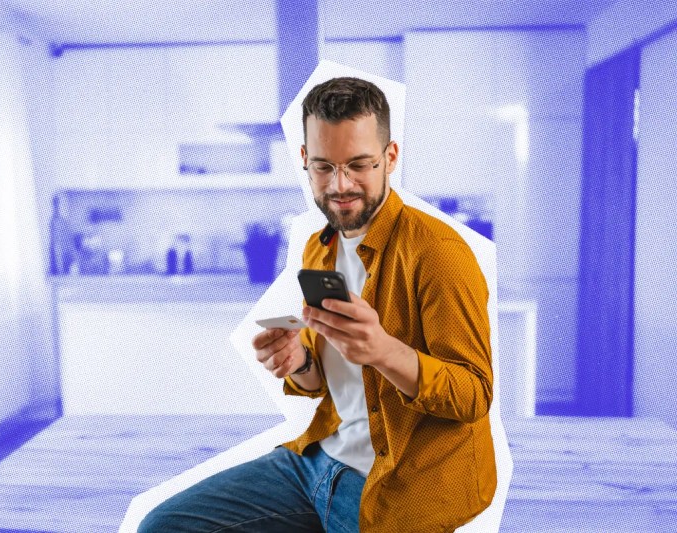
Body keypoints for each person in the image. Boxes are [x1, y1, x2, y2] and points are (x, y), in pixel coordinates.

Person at [138, 77, 496, 533]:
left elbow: (473, 395)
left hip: (398, 486)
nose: (340, 185)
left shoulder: (438, 253)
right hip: (317, 460)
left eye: (359, 165)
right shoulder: (317, 246)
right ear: (305, 161)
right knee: (161, 526)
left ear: (390, 158)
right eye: (324, 167)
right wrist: (299, 360)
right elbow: (324, 382)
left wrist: (384, 350)